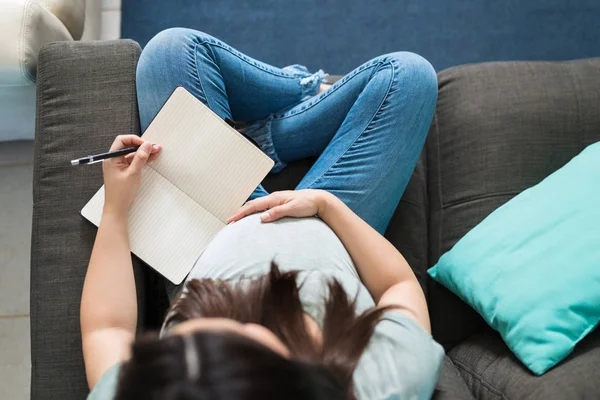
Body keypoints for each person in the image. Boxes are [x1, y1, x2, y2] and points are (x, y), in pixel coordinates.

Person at [81, 28, 443, 400]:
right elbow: (397, 286)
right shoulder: (386, 383)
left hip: (211, 233)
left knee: (170, 52)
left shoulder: (146, 390)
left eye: (183, 332)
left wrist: (116, 207)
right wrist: (328, 207)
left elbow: (106, 330)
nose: (224, 317)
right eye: (233, 335)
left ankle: (268, 135)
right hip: (332, 234)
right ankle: (270, 133)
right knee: (407, 77)